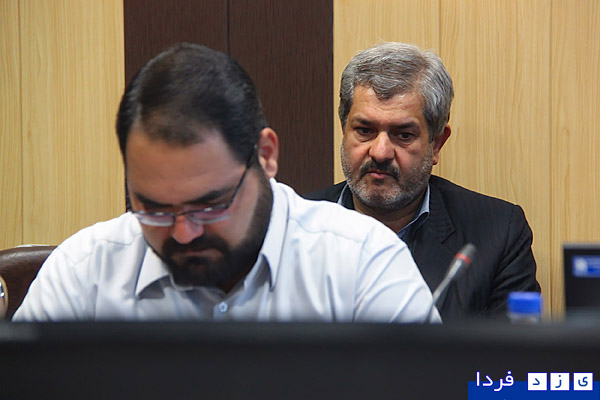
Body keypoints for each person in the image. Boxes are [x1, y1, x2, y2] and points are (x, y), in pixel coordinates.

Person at [13, 43, 439, 323]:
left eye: (210, 204)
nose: (184, 232)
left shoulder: (363, 262)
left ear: (266, 156)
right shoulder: (83, 272)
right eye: (154, 209)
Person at [305, 42, 540, 320]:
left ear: (436, 143)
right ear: (344, 130)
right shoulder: (297, 227)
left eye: (403, 135)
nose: (380, 152)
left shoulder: (497, 233)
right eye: (365, 130)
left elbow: (513, 346)